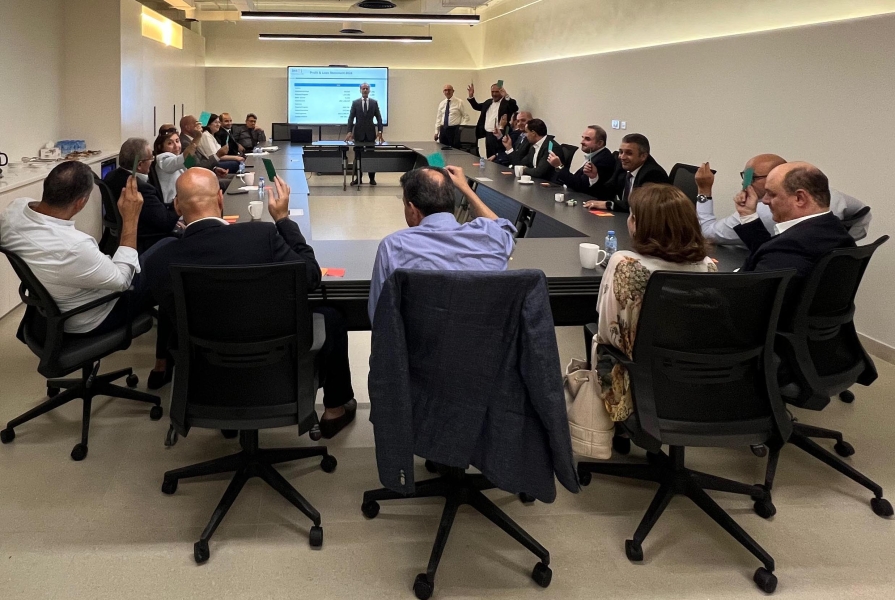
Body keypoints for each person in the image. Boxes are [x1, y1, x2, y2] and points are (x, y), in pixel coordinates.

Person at [142, 169, 357, 438]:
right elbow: (311, 276)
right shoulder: (261, 237)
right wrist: (283, 220)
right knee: (331, 316)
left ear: (176, 206)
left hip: (208, 381)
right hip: (277, 370)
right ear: (220, 199)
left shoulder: (159, 260)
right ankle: (335, 410)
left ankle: (229, 415)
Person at [593, 184, 717, 421]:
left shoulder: (625, 264)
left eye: (632, 216)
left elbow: (606, 331)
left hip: (635, 383)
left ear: (639, 224)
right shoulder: (708, 266)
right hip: (694, 382)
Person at [368, 166, 516, 322]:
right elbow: (502, 228)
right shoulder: (491, 237)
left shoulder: (393, 246)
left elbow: (379, 315)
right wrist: (465, 188)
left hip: (421, 337)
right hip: (486, 336)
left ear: (412, 209)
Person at [734, 161, 856, 316]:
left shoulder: (792, 247)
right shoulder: (833, 229)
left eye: (772, 194)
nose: (764, 200)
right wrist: (748, 215)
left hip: (763, 324)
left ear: (799, 198)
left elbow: (750, 304)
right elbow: (770, 253)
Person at [694, 155, 871, 244]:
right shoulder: (829, 194)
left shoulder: (765, 211)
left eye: (751, 178)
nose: (745, 183)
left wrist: (704, 190)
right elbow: (863, 212)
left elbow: (707, 233)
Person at [104, 138, 179, 253]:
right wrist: (178, 207)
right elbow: (166, 224)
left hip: (118, 239)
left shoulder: (110, 176)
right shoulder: (142, 188)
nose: (152, 161)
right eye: (151, 158)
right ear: (139, 165)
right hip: (147, 240)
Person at [583, 133, 669, 212]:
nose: (622, 157)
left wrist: (608, 204)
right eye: (621, 152)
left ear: (643, 156)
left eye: (629, 153)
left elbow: (640, 205)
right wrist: (594, 177)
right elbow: (607, 192)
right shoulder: (622, 166)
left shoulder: (653, 173)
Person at [548, 125, 616, 198]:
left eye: (587, 139)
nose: (582, 142)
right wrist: (557, 185)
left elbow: (579, 185)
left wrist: (559, 166)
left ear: (600, 143)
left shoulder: (604, 159)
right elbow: (576, 179)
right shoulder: (596, 155)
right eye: (583, 138)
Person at [346, 83, 384, 186]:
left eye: (367, 88)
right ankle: (358, 178)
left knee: (371, 157)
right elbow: (351, 118)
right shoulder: (355, 103)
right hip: (358, 134)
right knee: (357, 157)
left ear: (369, 90)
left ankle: (372, 178)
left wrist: (380, 131)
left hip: (370, 134)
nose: (365, 90)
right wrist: (349, 131)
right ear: (360, 90)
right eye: (363, 88)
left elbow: (379, 118)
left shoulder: (374, 103)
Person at [467, 82, 519, 159]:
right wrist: (471, 96)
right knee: (489, 156)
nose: (494, 94)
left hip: (501, 134)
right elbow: (477, 106)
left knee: (499, 157)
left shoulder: (507, 102)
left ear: (501, 91)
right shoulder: (488, 102)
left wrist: (506, 96)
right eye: (492, 92)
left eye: (497, 92)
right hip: (488, 135)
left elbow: (514, 108)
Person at [153, 129, 188, 205]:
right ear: (160, 147)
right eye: (170, 143)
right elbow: (177, 161)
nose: (176, 146)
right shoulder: (162, 158)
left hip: (183, 199)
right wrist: (196, 139)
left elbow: (191, 166)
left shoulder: (178, 157)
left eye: (177, 141)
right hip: (172, 205)